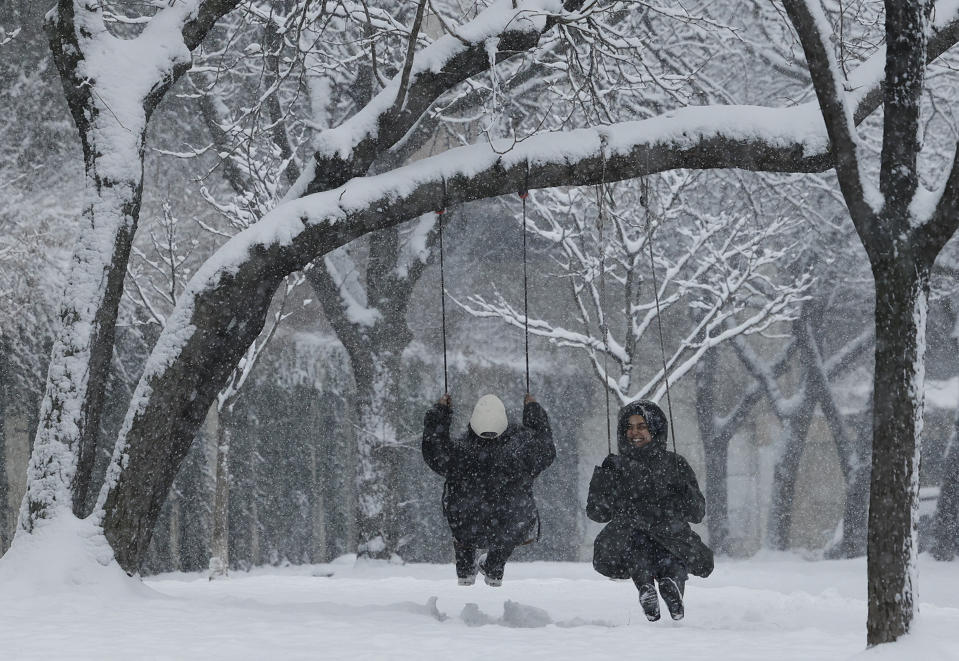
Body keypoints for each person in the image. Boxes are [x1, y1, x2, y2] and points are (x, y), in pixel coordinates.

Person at [587, 399, 713, 621]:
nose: (634, 432)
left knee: (668, 552)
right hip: (633, 535)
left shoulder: (675, 463)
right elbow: (598, 513)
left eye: (642, 426)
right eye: (630, 427)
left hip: (669, 535)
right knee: (640, 547)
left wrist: (682, 489)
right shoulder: (615, 465)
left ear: (655, 429)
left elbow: (697, 512)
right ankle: (651, 589)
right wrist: (603, 480)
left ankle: (667, 588)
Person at [422, 392, 555, 586]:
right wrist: (533, 411)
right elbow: (545, 447)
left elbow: (433, 448)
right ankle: (495, 564)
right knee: (513, 520)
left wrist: (441, 412)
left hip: (468, 527)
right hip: (507, 529)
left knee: (463, 514)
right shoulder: (521, 454)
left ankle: (465, 566)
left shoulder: (459, 454)